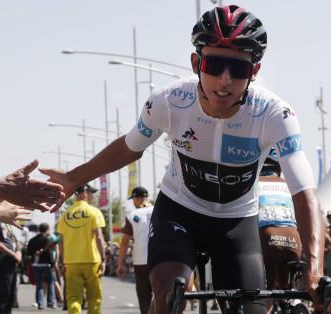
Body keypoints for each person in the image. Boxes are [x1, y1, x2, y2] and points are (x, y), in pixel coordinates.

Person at [40, 5, 325, 313]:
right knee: (167, 292)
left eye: (238, 69)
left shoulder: (273, 114)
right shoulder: (170, 102)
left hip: (236, 219)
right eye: (214, 64)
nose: (225, 80)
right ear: (196, 62)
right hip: (180, 211)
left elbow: (305, 195)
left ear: (254, 71)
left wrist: (313, 268)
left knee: (252, 308)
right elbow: (129, 147)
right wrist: (73, 178)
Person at [57, 185, 106, 314]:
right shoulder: (94, 212)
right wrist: (103, 259)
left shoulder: (65, 215)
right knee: (94, 298)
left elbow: (60, 242)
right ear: (84, 193)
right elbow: (99, 237)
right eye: (91, 193)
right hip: (92, 261)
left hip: (72, 262)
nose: (92, 196)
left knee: (73, 298)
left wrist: (63, 261)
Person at [258, 149, 302, 290]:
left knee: (267, 290)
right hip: (293, 240)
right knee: (285, 289)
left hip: (266, 238)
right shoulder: (289, 185)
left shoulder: (253, 184)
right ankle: (291, 303)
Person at [117, 186, 153, 314]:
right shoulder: (160, 210)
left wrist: (120, 264)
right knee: (164, 297)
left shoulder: (133, 215)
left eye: (133, 199)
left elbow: (124, 242)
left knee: (144, 300)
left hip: (141, 262)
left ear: (137, 199)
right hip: (161, 260)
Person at [27, 223, 56, 310]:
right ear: (47, 229)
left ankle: (40, 303)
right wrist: (52, 263)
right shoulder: (47, 239)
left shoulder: (32, 240)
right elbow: (49, 253)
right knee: (50, 283)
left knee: (39, 285)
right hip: (46, 264)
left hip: (36, 264)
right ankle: (51, 302)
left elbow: (28, 252)